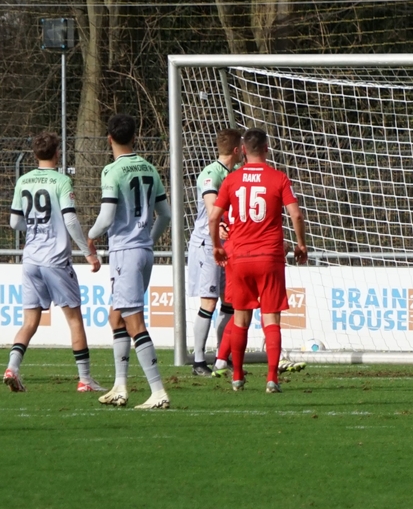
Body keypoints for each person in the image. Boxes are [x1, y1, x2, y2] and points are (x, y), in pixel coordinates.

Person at [208, 128, 307, 393]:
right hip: (269, 256)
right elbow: (296, 215)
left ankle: (237, 376)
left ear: (242, 151)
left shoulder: (231, 180)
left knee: (240, 319)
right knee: (271, 319)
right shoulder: (278, 178)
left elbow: (213, 217)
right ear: (266, 148)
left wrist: (217, 247)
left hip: (238, 257)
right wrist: (300, 244)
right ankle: (272, 378)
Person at [5, 132, 104, 393]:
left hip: (30, 259)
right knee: (74, 320)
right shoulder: (61, 180)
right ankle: (84, 379)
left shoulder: (24, 180)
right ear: (57, 153)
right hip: (55, 260)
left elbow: (14, 222)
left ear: (35, 154)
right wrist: (88, 252)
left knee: (29, 321)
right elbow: (70, 220)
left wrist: (35, 230)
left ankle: (12, 368)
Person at [87, 114, 172, 409]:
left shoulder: (112, 171)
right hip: (144, 251)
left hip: (125, 251)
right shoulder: (149, 168)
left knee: (134, 320)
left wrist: (91, 236)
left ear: (109, 138)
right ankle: (120, 387)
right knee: (117, 317)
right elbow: (167, 215)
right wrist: (148, 236)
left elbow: (107, 216)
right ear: (135, 137)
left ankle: (158, 391)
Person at [187, 128, 243, 376]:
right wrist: (218, 223)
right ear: (235, 150)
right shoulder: (211, 173)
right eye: (241, 146)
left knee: (229, 302)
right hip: (207, 245)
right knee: (208, 302)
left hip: (227, 247)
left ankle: (222, 357)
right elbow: (212, 206)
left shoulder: (235, 174)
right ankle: (198, 361)